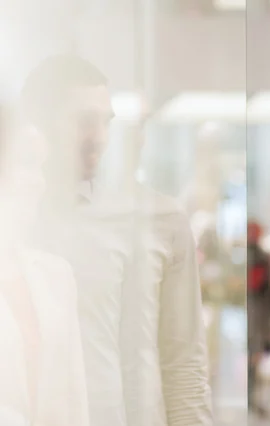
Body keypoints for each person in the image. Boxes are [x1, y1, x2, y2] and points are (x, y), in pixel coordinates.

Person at [20, 54, 212, 426]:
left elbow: (184, 364)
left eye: (105, 123)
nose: (99, 139)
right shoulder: (13, 224)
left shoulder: (157, 220)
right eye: (82, 122)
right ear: (37, 125)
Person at [0, 116, 89, 425]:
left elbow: (74, 402)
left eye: (41, 166)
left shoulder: (55, 276)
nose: (40, 180)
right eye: (26, 162)